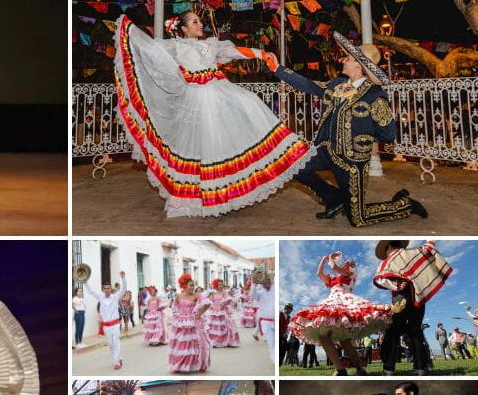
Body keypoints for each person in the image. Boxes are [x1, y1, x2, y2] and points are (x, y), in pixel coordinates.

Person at [113, 11, 315, 218]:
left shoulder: (212, 44)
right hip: (195, 101)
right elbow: (149, 51)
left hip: (218, 93)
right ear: (183, 28)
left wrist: (260, 53)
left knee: (242, 115)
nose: (200, 24)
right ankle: (195, 197)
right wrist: (129, 31)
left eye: (199, 21)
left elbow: (235, 51)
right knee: (200, 146)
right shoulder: (175, 46)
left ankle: (223, 193)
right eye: (195, 21)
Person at [265, 33, 428, 226]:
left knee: (358, 219)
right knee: (293, 167)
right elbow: (309, 85)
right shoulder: (336, 85)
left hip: (352, 162)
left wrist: (361, 138)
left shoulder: (375, 96)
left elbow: (388, 134)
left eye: (349, 58)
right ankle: (334, 200)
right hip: (328, 150)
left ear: (360, 65)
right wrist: (277, 68)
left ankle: (404, 204)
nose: (344, 60)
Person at [289, 253, 392, 375]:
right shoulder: (333, 278)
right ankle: (340, 368)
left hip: (346, 301)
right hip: (332, 301)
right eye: (347, 261)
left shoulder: (350, 272)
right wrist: (324, 258)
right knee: (324, 336)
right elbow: (319, 274)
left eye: (350, 262)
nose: (348, 262)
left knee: (345, 342)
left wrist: (331, 258)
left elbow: (333, 267)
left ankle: (359, 369)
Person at [374, 241, 452, 375]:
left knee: (393, 330)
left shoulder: (388, 261)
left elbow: (380, 279)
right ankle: (420, 367)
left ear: (388, 247)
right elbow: (429, 248)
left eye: (385, 251)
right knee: (415, 330)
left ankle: (389, 369)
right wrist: (431, 241)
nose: (385, 253)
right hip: (418, 294)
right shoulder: (414, 252)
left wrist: (397, 285)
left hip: (401, 297)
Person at [83, 271, 127, 370]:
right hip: (106, 326)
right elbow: (90, 291)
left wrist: (123, 278)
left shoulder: (115, 297)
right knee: (111, 345)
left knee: (116, 342)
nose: (107, 290)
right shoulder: (100, 296)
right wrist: (85, 281)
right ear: (103, 289)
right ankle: (119, 358)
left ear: (111, 289)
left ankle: (117, 363)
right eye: (105, 288)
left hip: (115, 324)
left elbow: (123, 289)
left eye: (108, 288)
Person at [169, 274, 211, 373]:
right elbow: (174, 307)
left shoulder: (196, 296)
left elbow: (208, 304)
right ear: (184, 286)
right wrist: (177, 317)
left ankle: (195, 365)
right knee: (181, 344)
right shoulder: (178, 296)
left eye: (193, 285)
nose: (192, 287)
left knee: (193, 344)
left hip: (193, 322)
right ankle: (180, 365)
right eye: (190, 285)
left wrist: (199, 314)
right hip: (182, 322)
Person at [206, 279, 240, 348]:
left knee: (225, 327)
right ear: (216, 285)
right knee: (216, 327)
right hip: (215, 312)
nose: (220, 286)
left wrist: (223, 305)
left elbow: (229, 300)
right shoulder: (213, 293)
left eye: (221, 284)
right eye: (219, 284)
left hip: (223, 312)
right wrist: (213, 307)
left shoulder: (225, 293)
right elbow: (210, 302)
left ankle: (226, 341)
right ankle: (216, 342)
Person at [252, 273, 275, 362]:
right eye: (265, 281)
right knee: (271, 342)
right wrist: (253, 283)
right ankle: (274, 360)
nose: (267, 282)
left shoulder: (274, 289)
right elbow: (253, 294)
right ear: (261, 283)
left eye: (268, 280)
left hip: (276, 321)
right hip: (266, 322)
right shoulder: (259, 293)